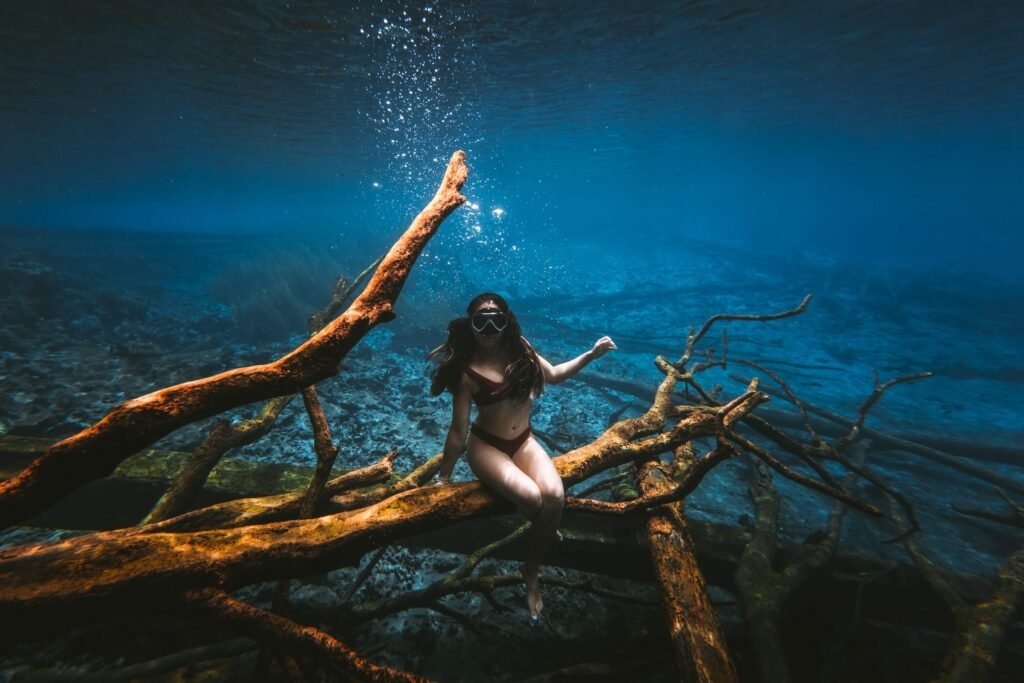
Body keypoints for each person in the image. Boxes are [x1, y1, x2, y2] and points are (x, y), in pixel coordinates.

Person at [427, 292, 617, 619]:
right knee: (532, 499)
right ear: (470, 325)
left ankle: (531, 569)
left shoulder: (522, 349)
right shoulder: (468, 373)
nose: (489, 327)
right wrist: (443, 477)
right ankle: (542, 525)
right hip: (486, 447)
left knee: (555, 496)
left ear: (507, 321)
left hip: (524, 443)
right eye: (481, 320)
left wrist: (591, 354)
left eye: (496, 319)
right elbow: (458, 432)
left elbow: (554, 375)